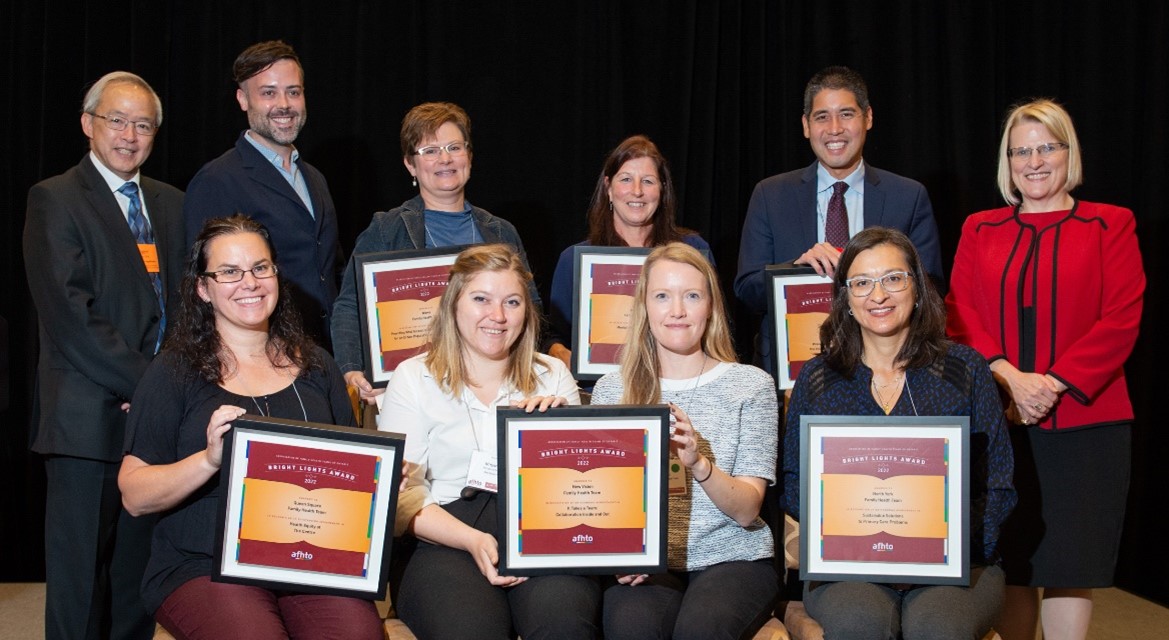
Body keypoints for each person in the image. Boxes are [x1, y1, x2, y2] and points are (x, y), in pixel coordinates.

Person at [118, 215, 383, 639]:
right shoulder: (173, 372)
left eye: (261, 268)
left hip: (307, 559)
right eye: (229, 272)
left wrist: (380, 482)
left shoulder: (317, 365)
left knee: (359, 635)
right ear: (203, 288)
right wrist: (207, 461)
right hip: (201, 563)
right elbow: (134, 494)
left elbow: (350, 478)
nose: (250, 282)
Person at [945, 99, 1144, 640]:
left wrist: (1051, 385)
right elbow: (958, 312)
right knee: (1012, 561)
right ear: (1007, 163)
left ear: (1068, 153)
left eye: (1046, 148)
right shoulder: (979, 228)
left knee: (1070, 564)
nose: (1033, 161)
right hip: (999, 420)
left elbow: (1122, 317)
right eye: (1020, 151)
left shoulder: (1111, 223)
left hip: (1087, 424)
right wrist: (1010, 378)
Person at [782, 227, 1016, 640]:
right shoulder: (819, 378)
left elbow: (997, 485)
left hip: (957, 563)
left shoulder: (965, 370)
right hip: (850, 565)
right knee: (860, 623)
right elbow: (796, 483)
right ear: (845, 298)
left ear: (918, 288)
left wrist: (944, 548)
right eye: (862, 283)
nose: (878, 295)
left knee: (938, 627)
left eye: (893, 278)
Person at [24, 71, 185, 640]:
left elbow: (187, 306)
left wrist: (164, 397)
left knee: (135, 585)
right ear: (88, 124)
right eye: (117, 120)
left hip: (151, 433)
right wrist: (153, 387)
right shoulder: (55, 199)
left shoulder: (172, 203)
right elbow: (72, 316)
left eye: (143, 124)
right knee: (79, 584)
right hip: (86, 423)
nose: (129, 135)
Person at [378, 244, 596, 639]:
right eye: (481, 299)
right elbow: (404, 498)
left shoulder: (554, 376)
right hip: (442, 537)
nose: (497, 316)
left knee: (564, 624)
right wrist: (474, 540)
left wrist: (560, 428)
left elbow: (581, 493)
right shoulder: (412, 378)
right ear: (453, 304)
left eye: (512, 302)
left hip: (542, 534)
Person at [591, 242, 779, 640]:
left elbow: (747, 511)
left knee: (701, 631)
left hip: (733, 558)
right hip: (649, 564)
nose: (677, 311)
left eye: (691, 296)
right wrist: (618, 556)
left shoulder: (751, 386)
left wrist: (699, 463)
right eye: (662, 296)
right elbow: (604, 502)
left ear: (710, 306)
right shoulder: (612, 391)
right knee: (631, 628)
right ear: (644, 306)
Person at [734, 66, 943, 373]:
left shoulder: (908, 197)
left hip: (887, 368)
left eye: (846, 114)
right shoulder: (770, 195)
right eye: (822, 117)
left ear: (868, 118)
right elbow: (746, 290)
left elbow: (931, 288)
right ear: (806, 125)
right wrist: (795, 270)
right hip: (793, 370)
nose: (834, 129)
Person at [332, 102, 540, 404]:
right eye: (429, 151)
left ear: (469, 155)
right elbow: (351, 306)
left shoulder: (501, 232)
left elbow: (530, 306)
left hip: (494, 386)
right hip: (417, 391)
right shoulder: (386, 229)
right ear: (410, 164)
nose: (445, 159)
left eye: (454, 147)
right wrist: (352, 370)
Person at [184, 40, 341, 348]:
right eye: (268, 92)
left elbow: (332, 269)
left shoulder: (315, 179)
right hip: (264, 357)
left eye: (293, 91)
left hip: (325, 353)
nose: (284, 104)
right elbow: (202, 287)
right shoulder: (217, 180)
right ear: (243, 99)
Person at [546, 135, 712, 369]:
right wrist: (565, 357)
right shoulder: (575, 260)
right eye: (625, 179)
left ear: (662, 190)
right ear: (608, 188)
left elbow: (715, 326)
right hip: (602, 392)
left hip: (678, 384)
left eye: (648, 181)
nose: (637, 191)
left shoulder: (693, 251)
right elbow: (553, 337)